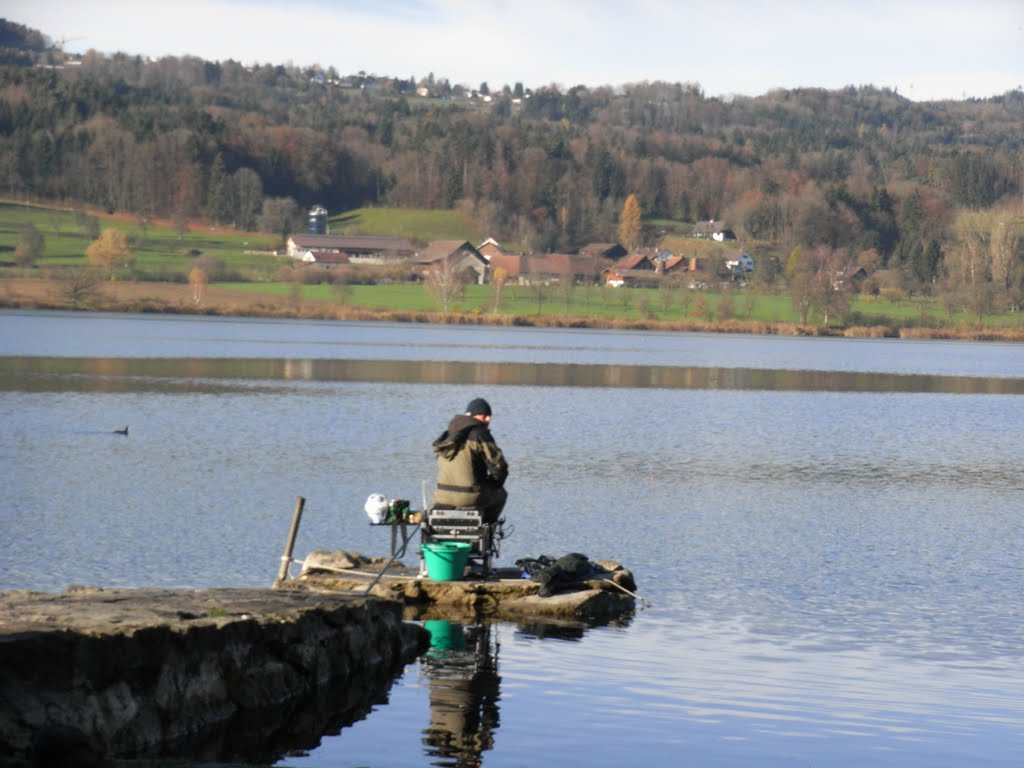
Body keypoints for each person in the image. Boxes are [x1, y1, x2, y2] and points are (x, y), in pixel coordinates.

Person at [432, 397, 508, 522]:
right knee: (501, 495)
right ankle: (486, 529)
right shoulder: (480, 434)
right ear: (473, 416)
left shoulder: (448, 435)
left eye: (489, 415)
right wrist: (494, 484)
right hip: (470, 497)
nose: (489, 419)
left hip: (441, 496)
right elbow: (499, 466)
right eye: (484, 416)